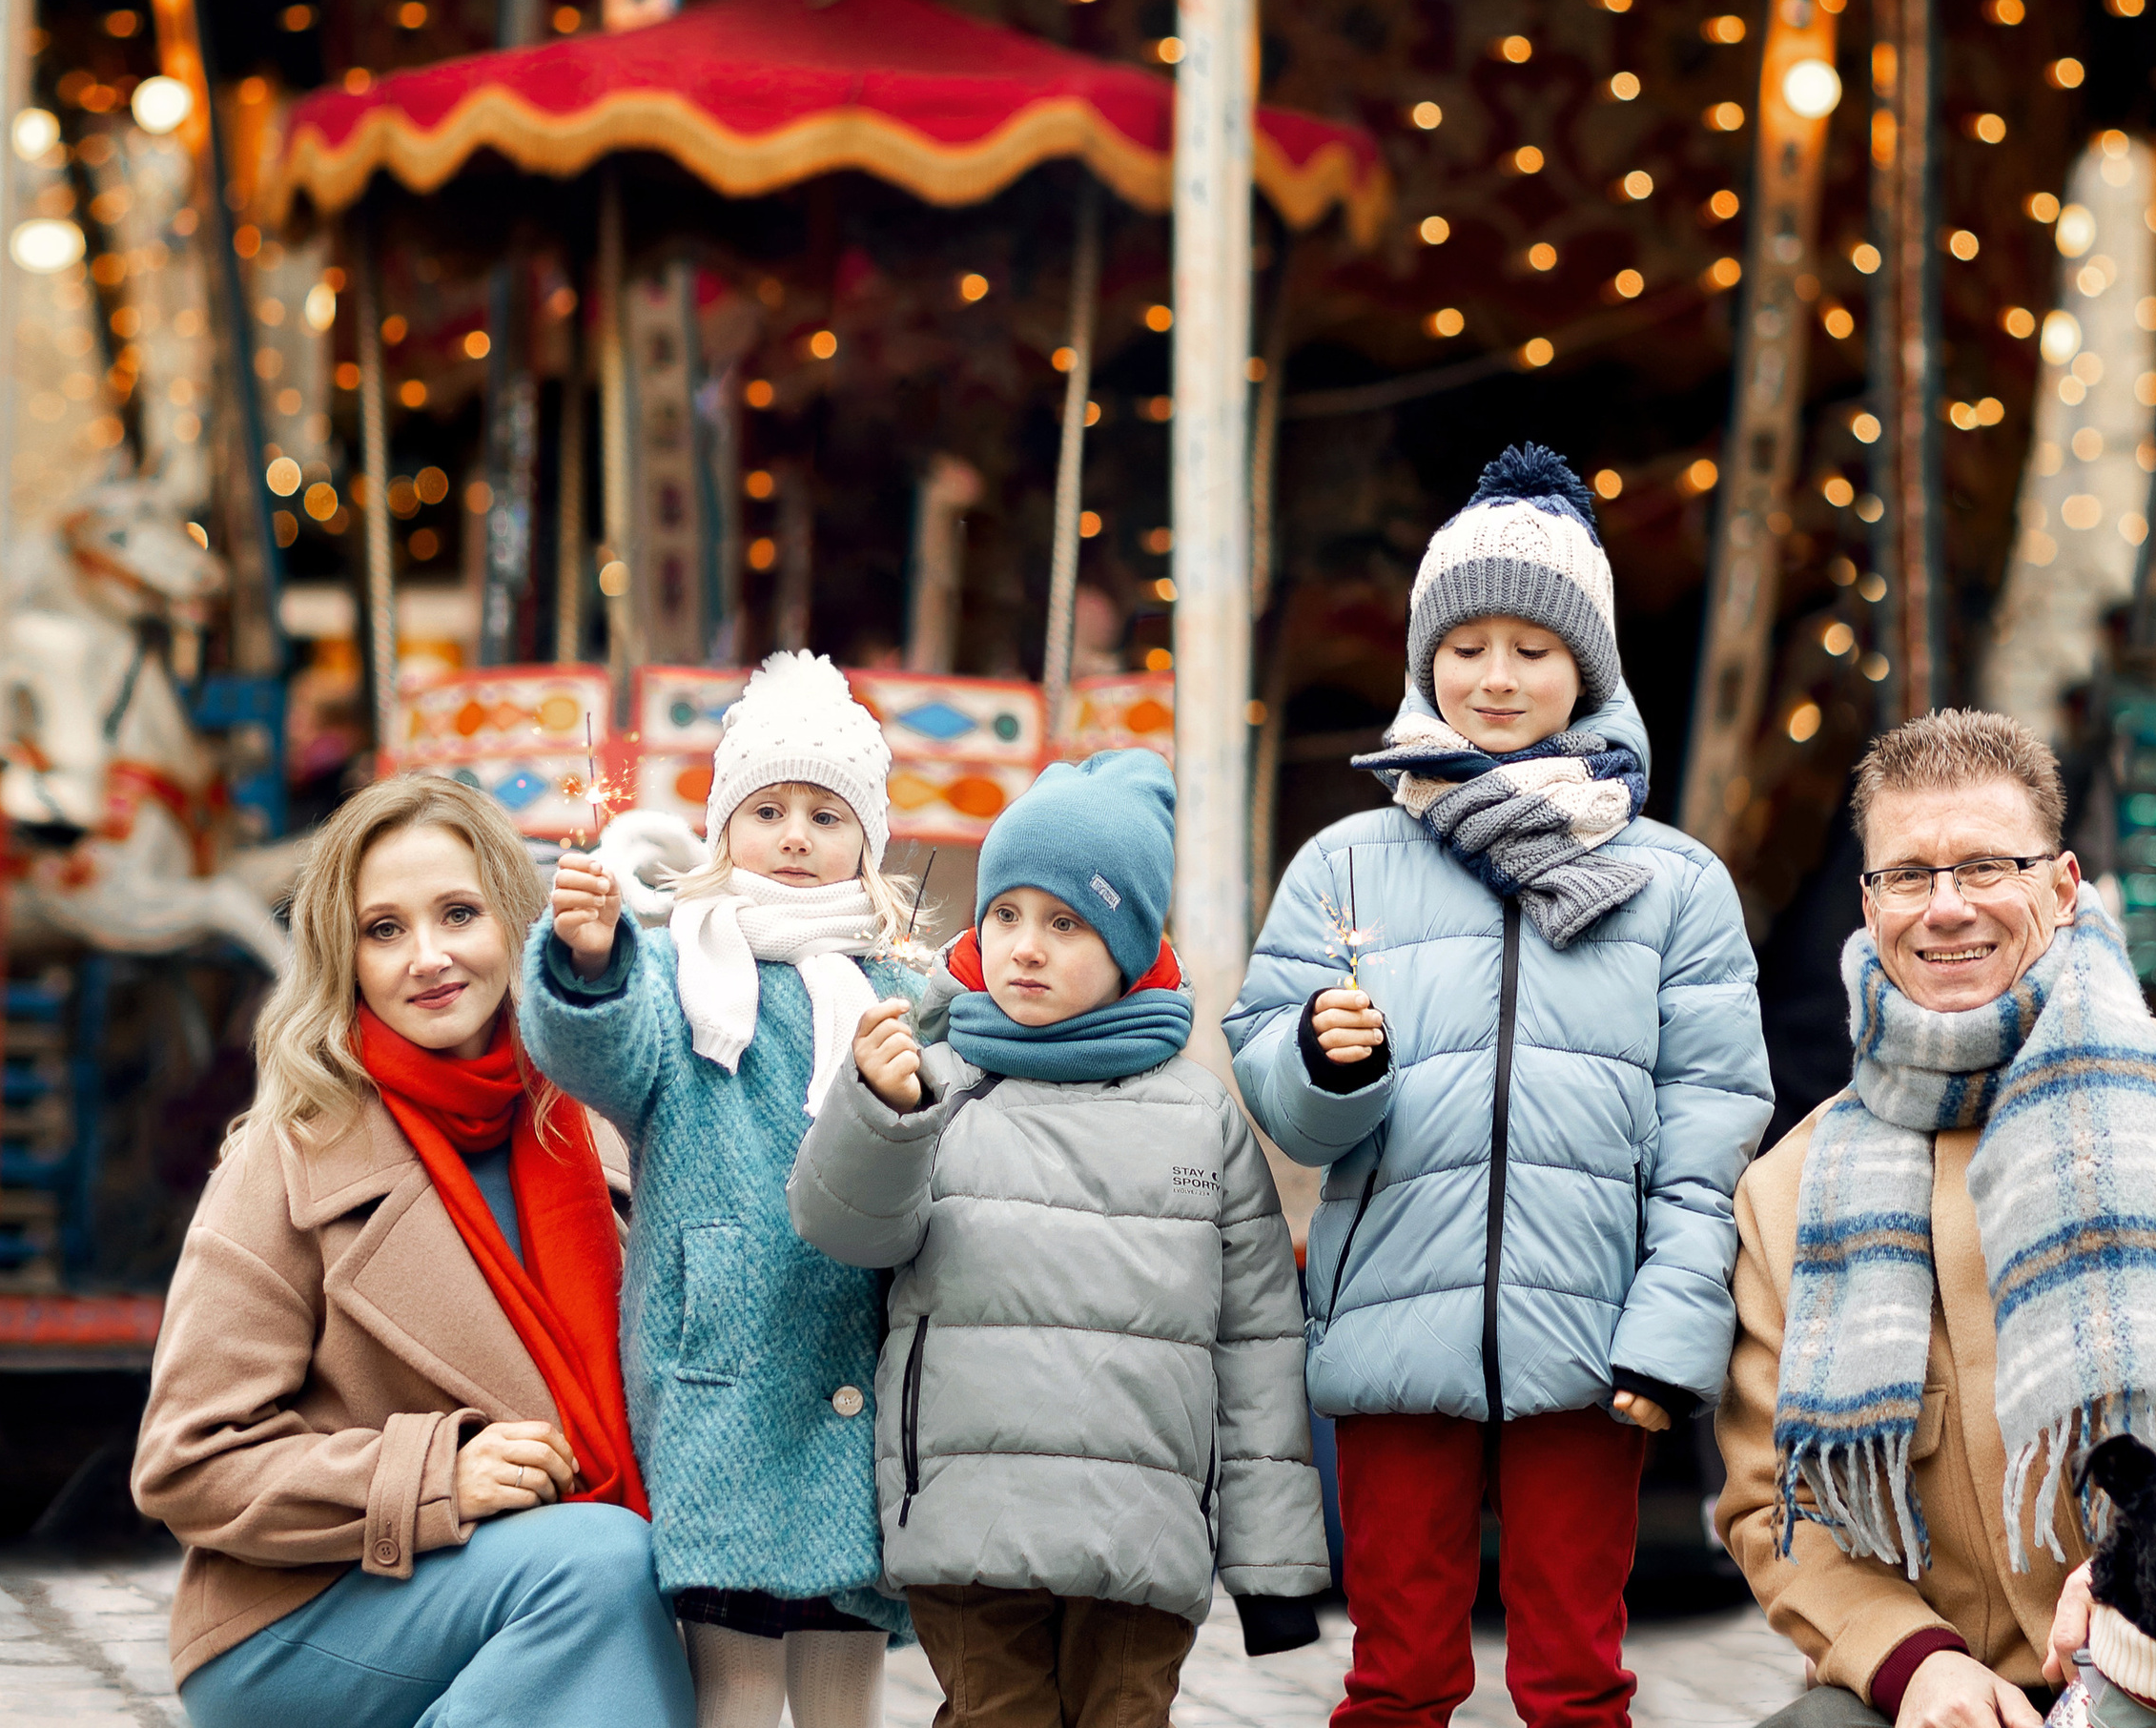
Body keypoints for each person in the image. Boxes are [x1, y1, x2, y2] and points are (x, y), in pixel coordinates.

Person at [1715, 707, 2156, 1728]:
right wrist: (1913, 1664)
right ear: (1868, 904)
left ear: (2061, 888)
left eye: (1986, 867)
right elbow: (1771, 1508)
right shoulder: (1788, 1194)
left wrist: (2150, 1568)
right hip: (1980, 1697)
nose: (1946, 908)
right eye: (1909, 876)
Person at [1224, 442, 1775, 1728]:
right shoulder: (1344, 863)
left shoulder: (1674, 884)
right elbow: (1278, 1093)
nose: (1496, 676)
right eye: (1466, 646)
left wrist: (1671, 1330)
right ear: (1426, 660)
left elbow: (1711, 1128)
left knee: (1576, 1680)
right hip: (1390, 1322)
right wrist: (1324, 1062)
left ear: (1590, 667)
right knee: (1395, 1677)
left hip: (1594, 1341)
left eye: (1534, 647)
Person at [132, 772, 690, 1728]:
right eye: (383, 929)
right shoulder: (288, 1156)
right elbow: (187, 1462)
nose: (427, 957)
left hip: (546, 1574)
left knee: (637, 1604)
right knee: (604, 1569)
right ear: (342, 957)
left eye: (458, 914)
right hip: (307, 1610)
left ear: (514, 922)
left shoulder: (600, 1123)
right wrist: (434, 1477)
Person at [789, 748, 1331, 1728]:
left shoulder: (1199, 1117)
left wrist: (1274, 1568)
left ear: (1129, 944)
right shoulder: (934, 1080)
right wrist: (877, 1111)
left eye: (1066, 922)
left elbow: (1255, 1343)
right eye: (1005, 914)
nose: (1025, 947)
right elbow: (843, 1228)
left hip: (1144, 1532)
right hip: (968, 1518)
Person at [528, 649, 917, 1728]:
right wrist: (590, 964)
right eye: (768, 810)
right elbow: (601, 1059)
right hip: (720, 1366)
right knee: (734, 1673)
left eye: (827, 816)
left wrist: (903, 1094)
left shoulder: (898, 988)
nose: (795, 836)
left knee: (844, 1664)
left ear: (867, 844)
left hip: (853, 1357)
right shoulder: (674, 970)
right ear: (723, 829)